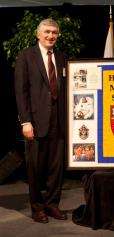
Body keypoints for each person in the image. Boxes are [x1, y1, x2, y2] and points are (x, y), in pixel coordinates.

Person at [14, 18, 67, 223]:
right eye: (47, 32)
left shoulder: (62, 57)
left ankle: (52, 204)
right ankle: (37, 208)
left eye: (54, 32)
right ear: (38, 34)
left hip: (60, 121)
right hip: (35, 122)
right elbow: (21, 91)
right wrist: (25, 121)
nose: (50, 36)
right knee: (35, 167)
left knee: (56, 167)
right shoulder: (26, 56)